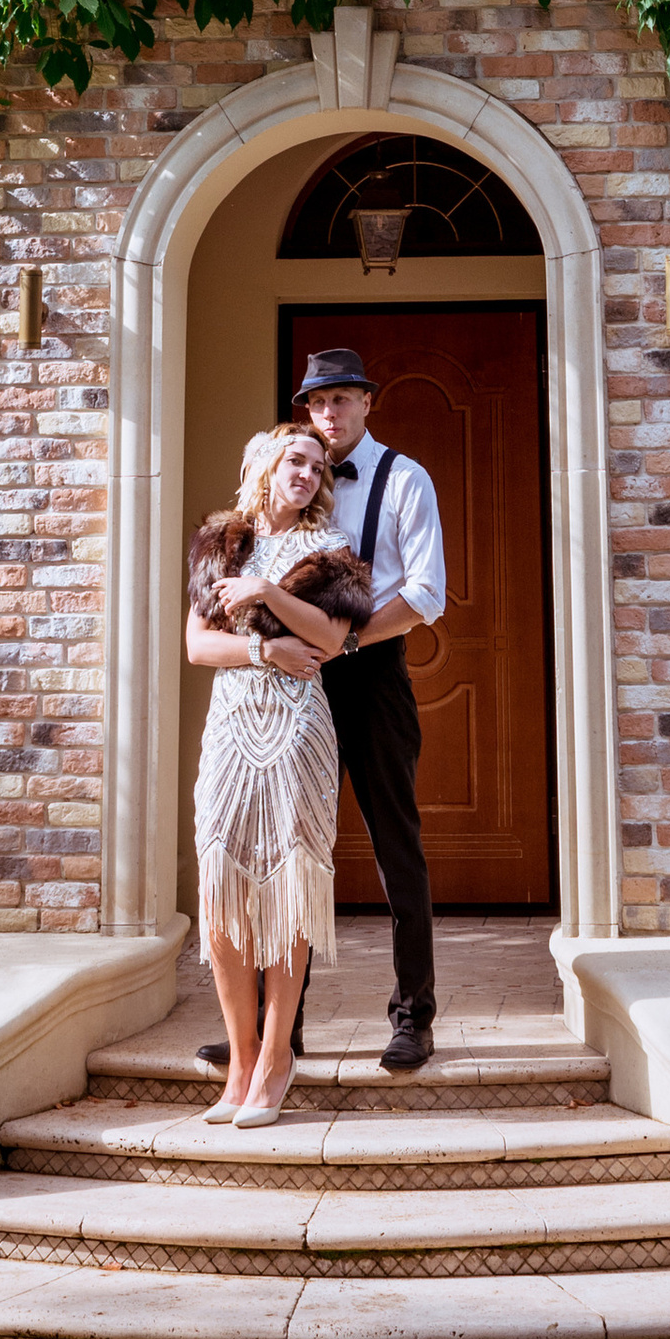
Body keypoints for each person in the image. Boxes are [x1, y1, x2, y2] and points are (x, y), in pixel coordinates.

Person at [200, 341, 449, 1077]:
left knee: (394, 844)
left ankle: (414, 1019)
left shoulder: (405, 479)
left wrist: (340, 645)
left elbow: (425, 595)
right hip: (286, 690)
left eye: (342, 397)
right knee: (285, 850)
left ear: (368, 402)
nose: (329, 412)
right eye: (316, 401)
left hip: (368, 677)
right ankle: (282, 1031)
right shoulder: (282, 501)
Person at [184, 419, 372, 1126]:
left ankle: (276, 1059)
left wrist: (265, 591)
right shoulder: (219, 542)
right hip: (232, 729)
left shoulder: (333, 553)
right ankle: (239, 1060)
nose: (309, 474)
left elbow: (331, 639)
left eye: (318, 468)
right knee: (225, 886)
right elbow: (200, 646)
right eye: (296, 459)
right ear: (261, 463)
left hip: (299, 732)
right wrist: (264, 652)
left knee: (289, 886)